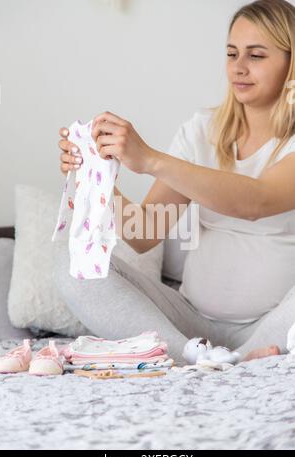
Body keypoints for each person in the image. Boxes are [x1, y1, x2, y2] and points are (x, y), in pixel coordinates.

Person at [55, 0, 295, 365]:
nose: (239, 68)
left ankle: (241, 357)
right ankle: (192, 356)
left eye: (256, 55)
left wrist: (150, 159)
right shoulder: (201, 131)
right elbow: (144, 233)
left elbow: (255, 202)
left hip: (273, 326)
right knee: (72, 269)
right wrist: (92, 176)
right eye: (232, 54)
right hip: (190, 323)